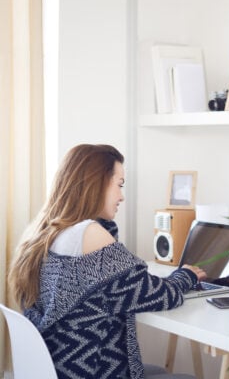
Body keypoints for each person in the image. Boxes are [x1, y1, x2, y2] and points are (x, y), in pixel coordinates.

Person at [8, 144, 206, 379]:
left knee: (161, 371)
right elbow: (161, 295)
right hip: (94, 371)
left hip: (57, 369)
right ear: (97, 183)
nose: (122, 196)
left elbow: (116, 286)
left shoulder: (44, 233)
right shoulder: (88, 234)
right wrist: (187, 276)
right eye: (119, 184)